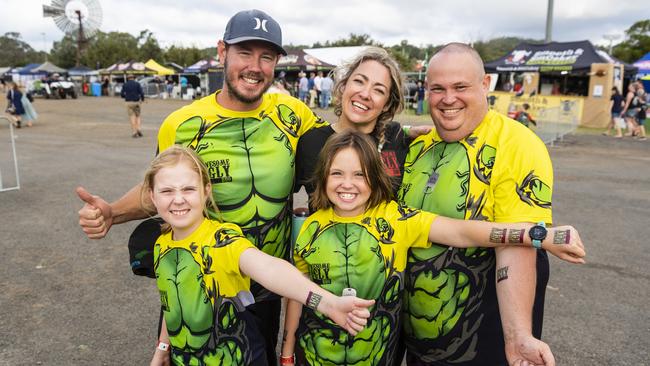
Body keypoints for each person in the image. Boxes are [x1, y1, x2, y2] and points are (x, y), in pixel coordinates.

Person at [76, 9, 326, 365]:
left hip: (267, 288)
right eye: (244, 53)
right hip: (200, 280)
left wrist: (409, 133)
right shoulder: (181, 124)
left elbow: (342, 150)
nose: (255, 66)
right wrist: (112, 212)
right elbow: (161, 190)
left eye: (266, 56)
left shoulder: (293, 112)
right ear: (222, 52)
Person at [282, 131, 585, 365]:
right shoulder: (309, 227)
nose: (347, 184)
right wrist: (287, 351)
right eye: (337, 173)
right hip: (315, 354)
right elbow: (298, 292)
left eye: (359, 174)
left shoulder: (397, 219)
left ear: (374, 178)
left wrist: (538, 235)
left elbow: (464, 231)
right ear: (323, 176)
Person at [397, 43, 560, 366]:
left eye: (461, 87)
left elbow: (518, 241)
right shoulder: (418, 147)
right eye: (437, 89)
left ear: (485, 85)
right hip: (420, 345)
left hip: (482, 346)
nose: (448, 98)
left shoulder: (515, 143)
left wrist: (518, 336)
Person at [142, 146, 374, 366]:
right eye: (167, 191)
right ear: (152, 196)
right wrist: (162, 348)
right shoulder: (161, 244)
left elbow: (270, 269)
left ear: (206, 190)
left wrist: (326, 303)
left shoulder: (222, 240)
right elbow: (171, 302)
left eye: (188, 189)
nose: (178, 199)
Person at [294, 47, 429, 208]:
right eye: (359, 81)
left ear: (387, 104)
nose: (365, 94)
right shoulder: (310, 142)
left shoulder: (396, 136)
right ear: (344, 86)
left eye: (378, 90)